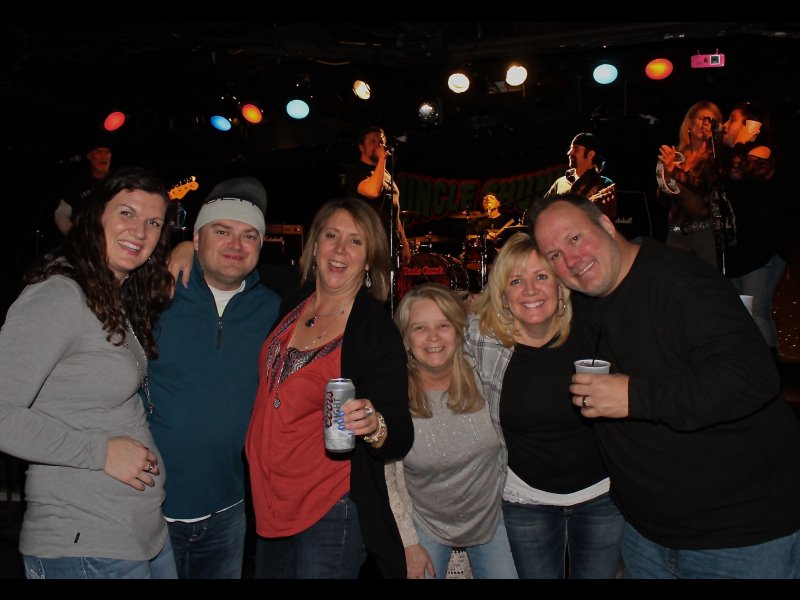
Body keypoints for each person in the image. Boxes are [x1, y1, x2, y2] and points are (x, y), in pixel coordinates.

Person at [530, 192, 800, 579]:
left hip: (738, 540)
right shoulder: (589, 302)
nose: (571, 260)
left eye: (575, 238)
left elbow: (752, 377)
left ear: (605, 224)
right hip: (646, 537)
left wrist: (634, 396)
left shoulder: (681, 281)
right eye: (554, 254)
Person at [0, 167, 177, 579]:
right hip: (83, 541)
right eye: (127, 213)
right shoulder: (59, 296)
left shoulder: (108, 295)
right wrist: (100, 452)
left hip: (138, 532)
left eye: (153, 222)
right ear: (95, 216)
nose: (140, 231)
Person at [245, 197, 414, 578]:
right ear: (315, 245)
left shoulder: (375, 330)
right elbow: (232, 269)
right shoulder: (293, 300)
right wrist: (186, 249)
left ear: (369, 259)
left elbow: (400, 433)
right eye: (331, 236)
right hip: (270, 503)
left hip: (327, 508)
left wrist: (374, 425)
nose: (340, 250)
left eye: (355, 241)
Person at [465, 232, 623, 579]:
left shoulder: (593, 327)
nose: (530, 290)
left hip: (602, 497)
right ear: (503, 297)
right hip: (526, 501)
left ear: (560, 286)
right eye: (516, 281)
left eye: (541, 276)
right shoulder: (482, 339)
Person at [146, 177, 281, 579]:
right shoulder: (155, 293)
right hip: (148, 510)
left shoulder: (274, 309)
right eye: (221, 231)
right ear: (197, 237)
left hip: (228, 510)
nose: (236, 245)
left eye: (249, 235)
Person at [385, 283, 517, 579]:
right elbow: (387, 480)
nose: (433, 337)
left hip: (492, 518)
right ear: (404, 339)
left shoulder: (485, 373)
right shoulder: (392, 394)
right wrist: (407, 543)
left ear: (459, 332)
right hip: (424, 523)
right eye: (419, 328)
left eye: (443, 325)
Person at [719, 101, 787, 355]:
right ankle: (747, 370)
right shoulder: (731, 156)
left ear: (751, 125)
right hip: (740, 251)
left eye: (732, 119)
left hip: (761, 251)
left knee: (757, 313)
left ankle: (770, 372)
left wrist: (741, 141)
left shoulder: (761, 151)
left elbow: (738, 172)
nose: (725, 125)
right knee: (740, 315)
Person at [657, 101, 722, 269]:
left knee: (707, 281)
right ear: (690, 123)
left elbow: (703, 186)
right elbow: (663, 199)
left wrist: (675, 172)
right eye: (701, 118)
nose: (705, 124)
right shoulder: (678, 156)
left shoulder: (715, 158)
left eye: (710, 120)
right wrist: (665, 176)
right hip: (676, 233)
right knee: (676, 280)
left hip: (704, 235)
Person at [345, 126, 412, 266]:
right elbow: (373, 192)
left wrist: (404, 243)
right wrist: (382, 159)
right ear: (361, 148)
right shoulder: (356, 172)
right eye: (372, 142)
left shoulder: (386, 174)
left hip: (389, 244)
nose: (378, 145)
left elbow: (394, 212)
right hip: (367, 244)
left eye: (381, 141)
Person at [545, 132, 616, 220]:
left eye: (576, 149)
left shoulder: (604, 184)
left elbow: (606, 223)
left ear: (590, 154)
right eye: (571, 149)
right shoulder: (560, 182)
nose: (569, 153)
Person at [53, 139, 113, 236]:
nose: (104, 156)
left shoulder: (119, 181)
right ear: (89, 156)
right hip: (88, 239)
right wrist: (74, 234)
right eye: (99, 152)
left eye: (107, 152)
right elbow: (61, 213)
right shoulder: (78, 184)